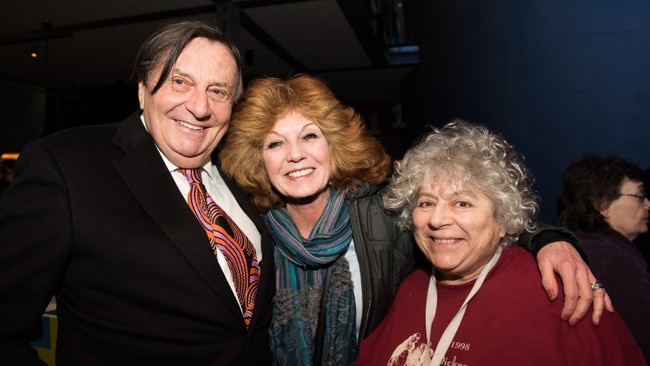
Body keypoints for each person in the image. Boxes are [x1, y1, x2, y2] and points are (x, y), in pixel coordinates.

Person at [219, 75, 611, 366]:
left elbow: (470, 222)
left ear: (334, 145)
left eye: (309, 136)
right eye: (275, 143)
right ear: (258, 158)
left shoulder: (383, 211)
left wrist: (552, 241)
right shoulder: (252, 228)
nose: (295, 155)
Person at [0, 21, 274, 365]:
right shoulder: (67, 166)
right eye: (180, 81)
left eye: (218, 91)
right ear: (143, 88)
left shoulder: (240, 178)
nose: (201, 107)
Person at [355, 121, 646, 365]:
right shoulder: (408, 287)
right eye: (426, 202)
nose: (437, 219)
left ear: (504, 218)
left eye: (463, 203)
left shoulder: (560, 292)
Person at [557, 154, 650, 360]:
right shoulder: (613, 258)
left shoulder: (576, 245)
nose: (648, 204)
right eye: (640, 196)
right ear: (603, 206)